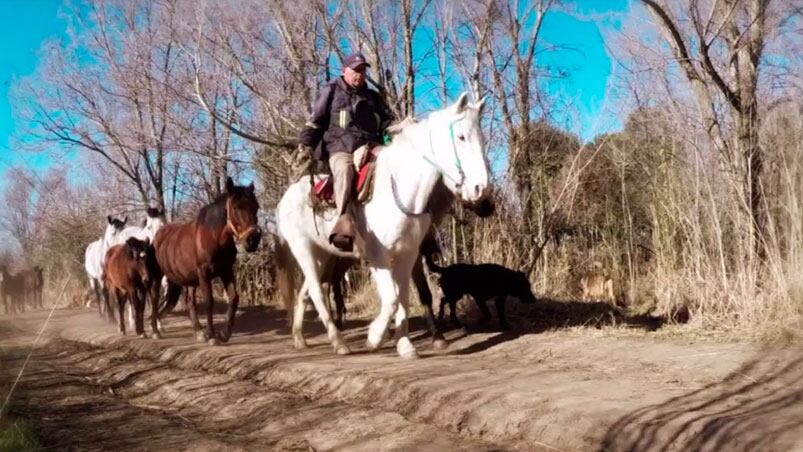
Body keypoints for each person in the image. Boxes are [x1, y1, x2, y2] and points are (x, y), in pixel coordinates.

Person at [296, 52, 395, 252]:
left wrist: (401, 130)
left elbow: (388, 122)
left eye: (363, 70)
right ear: (344, 71)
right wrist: (305, 145)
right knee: (344, 169)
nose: (360, 74)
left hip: (370, 146)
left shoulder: (373, 97)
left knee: (393, 162)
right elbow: (316, 121)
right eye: (356, 70)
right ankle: (344, 221)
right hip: (339, 148)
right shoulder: (331, 91)